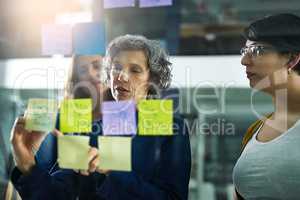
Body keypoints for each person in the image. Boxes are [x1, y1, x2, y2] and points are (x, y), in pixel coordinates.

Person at [10, 35, 191, 200]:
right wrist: (27, 164)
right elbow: (60, 194)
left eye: (135, 70)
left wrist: (112, 172)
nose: (121, 76)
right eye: (116, 67)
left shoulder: (171, 126)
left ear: (152, 79)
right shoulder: (92, 125)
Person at [232, 14, 300, 200]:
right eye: (244, 51)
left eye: (257, 50)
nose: (244, 60)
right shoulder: (254, 131)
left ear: (292, 59)